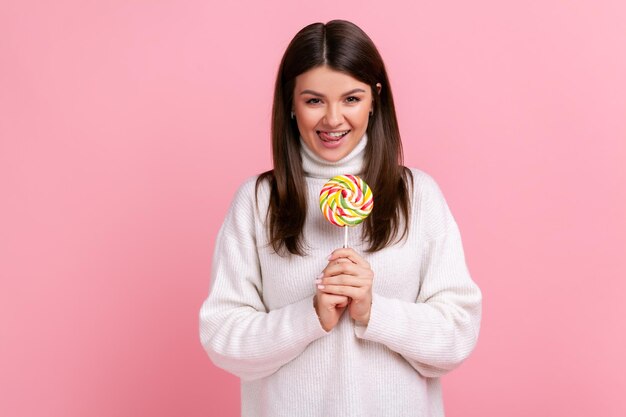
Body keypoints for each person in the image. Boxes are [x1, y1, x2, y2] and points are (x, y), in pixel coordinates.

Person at [199, 19, 482, 417]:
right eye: (314, 100)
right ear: (291, 104)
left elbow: (457, 335)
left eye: (351, 98)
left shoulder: (418, 197)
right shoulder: (258, 201)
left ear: (375, 99)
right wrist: (309, 316)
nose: (333, 120)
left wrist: (374, 311)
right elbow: (222, 338)